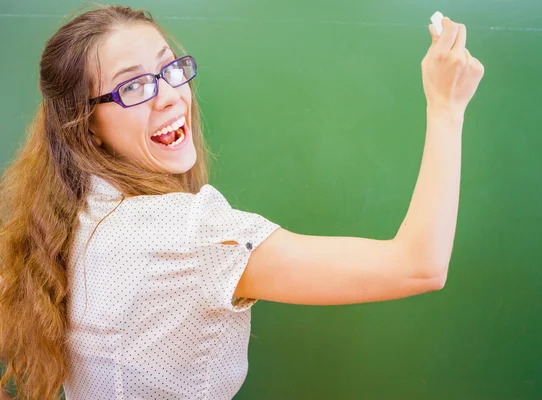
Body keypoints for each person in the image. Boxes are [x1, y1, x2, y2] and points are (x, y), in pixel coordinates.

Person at [0, 4, 484, 400]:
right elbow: (420, 265)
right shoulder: (191, 235)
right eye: (133, 86)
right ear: (87, 126)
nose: (170, 95)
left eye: (169, 68)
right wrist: (446, 108)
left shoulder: (72, 214)